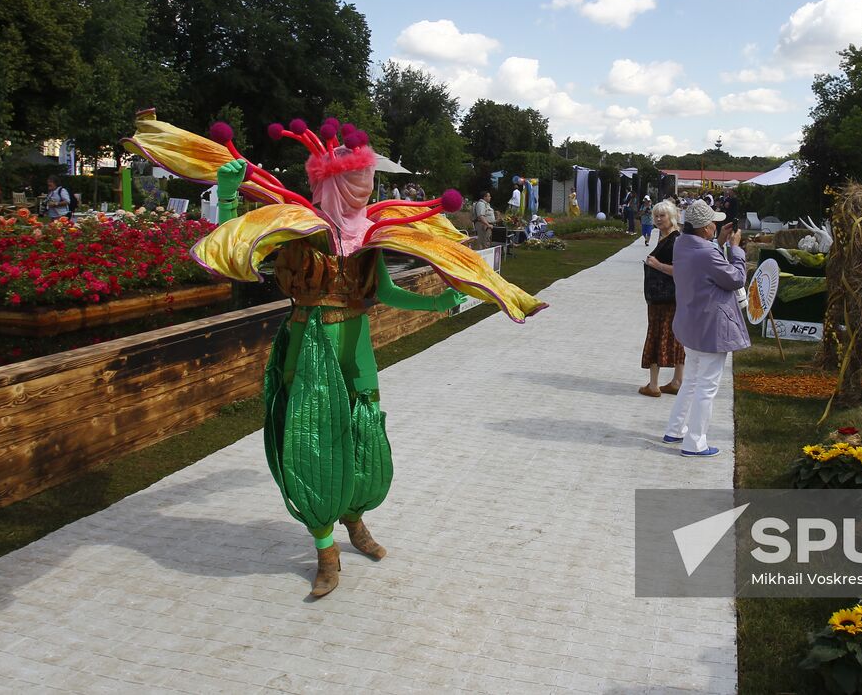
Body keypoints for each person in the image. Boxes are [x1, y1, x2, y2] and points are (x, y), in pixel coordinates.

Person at [123, 112, 545, 598]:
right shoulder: (299, 226)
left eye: (368, 183)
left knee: (364, 438)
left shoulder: (371, 234)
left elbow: (386, 290)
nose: (365, 191)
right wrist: (224, 194)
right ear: (337, 183)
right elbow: (231, 244)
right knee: (311, 443)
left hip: (356, 350)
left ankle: (355, 521)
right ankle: (326, 549)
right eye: (357, 183)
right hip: (307, 350)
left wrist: (439, 301)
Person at [664, 200, 750, 456]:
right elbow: (735, 279)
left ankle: (675, 429)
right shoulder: (706, 252)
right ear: (704, 229)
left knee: (691, 380)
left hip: (691, 325)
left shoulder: (682, 243)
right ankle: (695, 442)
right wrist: (735, 250)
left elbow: (708, 261)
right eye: (713, 223)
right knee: (707, 387)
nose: (717, 225)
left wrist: (720, 242)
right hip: (712, 328)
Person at [640, 200, 684, 397]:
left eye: (662, 216)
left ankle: (654, 385)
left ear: (672, 217)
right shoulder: (666, 237)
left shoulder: (675, 240)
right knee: (675, 336)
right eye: (656, 216)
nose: (657, 219)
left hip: (666, 298)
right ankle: (676, 381)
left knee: (659, 335)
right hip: (663, 297)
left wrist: (656, 265)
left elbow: (681, 271)